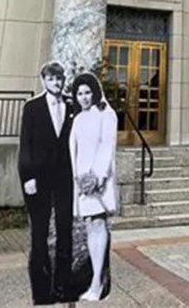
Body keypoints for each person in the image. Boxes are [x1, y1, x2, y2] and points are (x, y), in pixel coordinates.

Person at [18, 61, 74, 305]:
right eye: (51, 79)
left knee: (65, 230)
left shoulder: (72, 106)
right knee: (39, 233)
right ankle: (42, 291)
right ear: (43, 80)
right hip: (39, 178)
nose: (56, 83)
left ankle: (63, 285)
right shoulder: (32, 108)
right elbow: (26, 144)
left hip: (65, 177)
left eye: (60, 79)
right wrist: (28, 176)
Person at [68, 72, 118, 302]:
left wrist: (97, 177)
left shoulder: (105, 115)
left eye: (88, 92)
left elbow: (107, 146)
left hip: (98, 181)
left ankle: (97, 282)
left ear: (95, 92)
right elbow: (74, 151)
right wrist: (77, 179)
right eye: (79, 93)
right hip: (81, 181)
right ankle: (94, 280)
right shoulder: (78, 119)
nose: (84, 97)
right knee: (90, 226)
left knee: (97, 224)